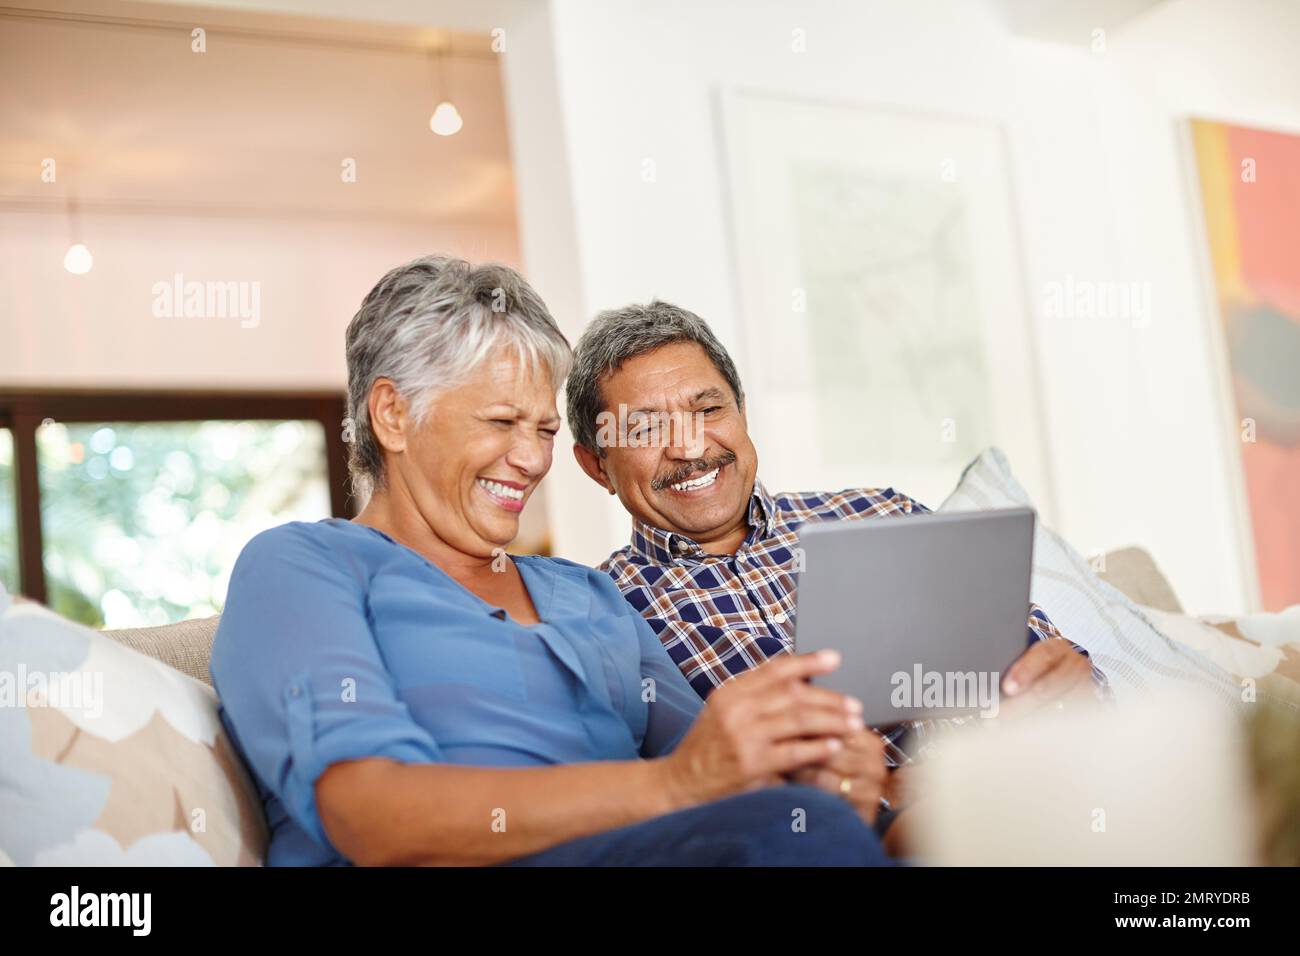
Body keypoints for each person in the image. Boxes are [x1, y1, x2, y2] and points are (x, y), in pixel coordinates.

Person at [210, 257, 893, 866]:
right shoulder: (305, 567)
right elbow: (371, 815)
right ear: (392, 414)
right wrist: (676, 786)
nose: (534, 459)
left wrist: (819, 778)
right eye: (502, 423)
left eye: (543, 430)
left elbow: (720, 773)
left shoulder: (590, 596)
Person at [565, 300, 1111, 850]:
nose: (690, 446)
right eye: (647, 428)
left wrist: (1069, 683)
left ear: (742, 412)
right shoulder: (605, 612)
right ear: (596, 465)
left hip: (1045, 794)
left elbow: (1062, 675)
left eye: (708, 410)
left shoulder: (881, 513)